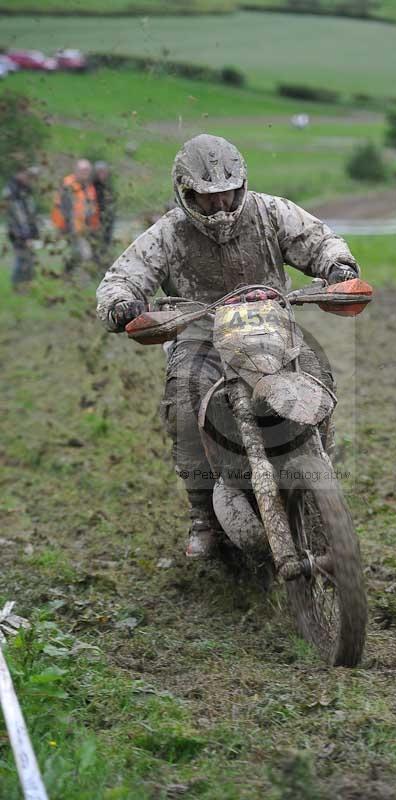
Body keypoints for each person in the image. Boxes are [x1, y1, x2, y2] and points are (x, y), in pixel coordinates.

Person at [96, 134, 361, 558]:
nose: (221, 205)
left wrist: (337, 267)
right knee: (183, 399)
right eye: (209, 198)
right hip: (199, 333)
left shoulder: (270, 211)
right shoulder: (168, 233)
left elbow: (318, 240)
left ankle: (320, 471)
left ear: (242, 185)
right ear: (186, 194)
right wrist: (122, 304)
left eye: (229, 193)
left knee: (317, 374)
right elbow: (123, 276)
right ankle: (202, 515)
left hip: (273, 325)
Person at [51, 158, 99, 271]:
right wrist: (67, 228)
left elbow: (90, 209)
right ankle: (80, 282)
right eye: (82, 170)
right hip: (71, 228)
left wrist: (93, 226)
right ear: (75, 171)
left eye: (87, 170)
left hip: (82, 229)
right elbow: (64, 210)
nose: (85, 173)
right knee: (85, 255)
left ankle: (67, 278)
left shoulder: (87, 187)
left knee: (76, 255)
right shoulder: (68, 185)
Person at [3, 166, 40, 288]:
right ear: (19, 173)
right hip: (18, 233)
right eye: (27, 175)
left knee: (29, 258)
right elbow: (18, 217)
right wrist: (25, 236)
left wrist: (34, 231)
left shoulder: (25, 189)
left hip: (26, 231)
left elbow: (30, 212)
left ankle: (26, 285)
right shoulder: (12, 191)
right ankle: (17, 286)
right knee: (22, 259)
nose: (29, 179)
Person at [92, 161, 116, 260]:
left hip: (107, 223)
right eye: (100, 172)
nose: (103, 174)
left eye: (104, 172)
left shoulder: (107, 187)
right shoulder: (92, 187)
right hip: (95, 224)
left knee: (105, 248)